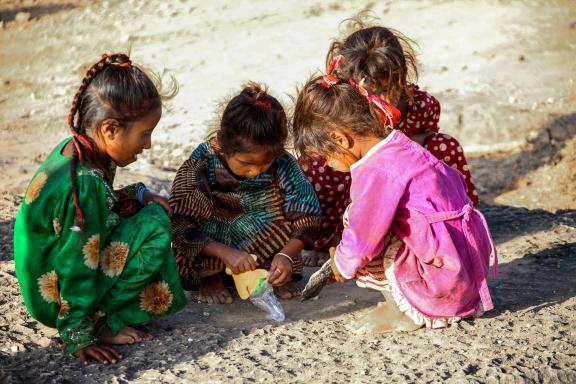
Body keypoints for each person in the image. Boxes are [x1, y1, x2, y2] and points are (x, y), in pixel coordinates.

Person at [13, 53, 186, 365]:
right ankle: (100, 318)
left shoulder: (77, 148)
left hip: (51, 282)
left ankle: (95, 311)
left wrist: (140, 195)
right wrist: (78, 335)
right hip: (57, 297)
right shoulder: (85, 184)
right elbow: (74, 263)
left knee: (147, 210)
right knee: (156, 226)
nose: (147, 145)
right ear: (110, 130)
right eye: (144, 133)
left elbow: (101, 207)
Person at [292, 71, 497, 333]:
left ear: (340, 140)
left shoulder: (376, 171)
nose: (328, 164)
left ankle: (406, 310)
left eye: (325, 156)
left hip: (441, 283)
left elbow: (362, 237)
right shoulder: (400, 145)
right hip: (465, 271)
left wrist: (340, 266)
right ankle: (408, 297)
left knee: (356, 223)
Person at [300, 23, 479, 267]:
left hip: (404, 181)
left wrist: (407, 145)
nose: (380, 100)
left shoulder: (421, 105)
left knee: (445, 146)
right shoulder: (349, 115)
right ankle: (331, 238)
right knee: (319, 164)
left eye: (386, 89)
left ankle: (456, 222)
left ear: (402, 75)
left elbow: (424, 151)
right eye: (369, 92)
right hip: (360, 176)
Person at [170, 83, 321, 304]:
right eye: (246, 164)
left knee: (281, 216)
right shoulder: (201, 164)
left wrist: (287, 254)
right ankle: (210, 278)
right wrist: (223, 252)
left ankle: (273, 274)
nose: (256, 171)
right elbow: (181, 224)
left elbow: (307, 215)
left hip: (263, 242)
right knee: (200, 222)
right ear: (223, 144)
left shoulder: (282, 164)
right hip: (212, 245)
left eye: (264, 164)